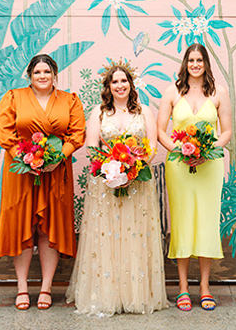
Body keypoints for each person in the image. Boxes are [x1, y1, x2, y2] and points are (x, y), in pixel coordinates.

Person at [66, 61, 168, 316]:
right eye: (115, 82)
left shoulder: (143, 112)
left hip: (137, 185)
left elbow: (153, 145)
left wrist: (134, 169)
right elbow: (91, 147)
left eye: (124, 81)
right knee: (108, 237)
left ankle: (135, 295)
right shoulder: (98, 113)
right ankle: (107, 295)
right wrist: (109, 170)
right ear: (108, 87)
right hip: (106, 185)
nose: (120, 85)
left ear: (131, 85)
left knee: (134, 235)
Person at [0, 54, 85, 310]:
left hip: (56, 172)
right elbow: (5, 131)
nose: (42, 76)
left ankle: (46, 287)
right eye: (37, 72)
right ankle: (22, 287)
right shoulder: (14, 97)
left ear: (54, 74)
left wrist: (59, 158)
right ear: (29, 76)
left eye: (47, 71)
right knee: (23, 225)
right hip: (21, 172)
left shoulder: (69, 100)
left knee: (49, 227)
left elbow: (77, 133)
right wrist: (24, 159)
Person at [157, 44, 232, 311]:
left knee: (206, 222)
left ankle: (204, 286)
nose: (195, 64)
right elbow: (161, 132)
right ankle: (182, 287)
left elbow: (226, 132)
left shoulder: (219, 92)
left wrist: (207, 150)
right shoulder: (172, 92)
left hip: (209, 167)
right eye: (191, 60)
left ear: (206, 63)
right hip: (180, 168)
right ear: (185, 63)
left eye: (200, 60)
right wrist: (181, 150)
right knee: (183, 221)